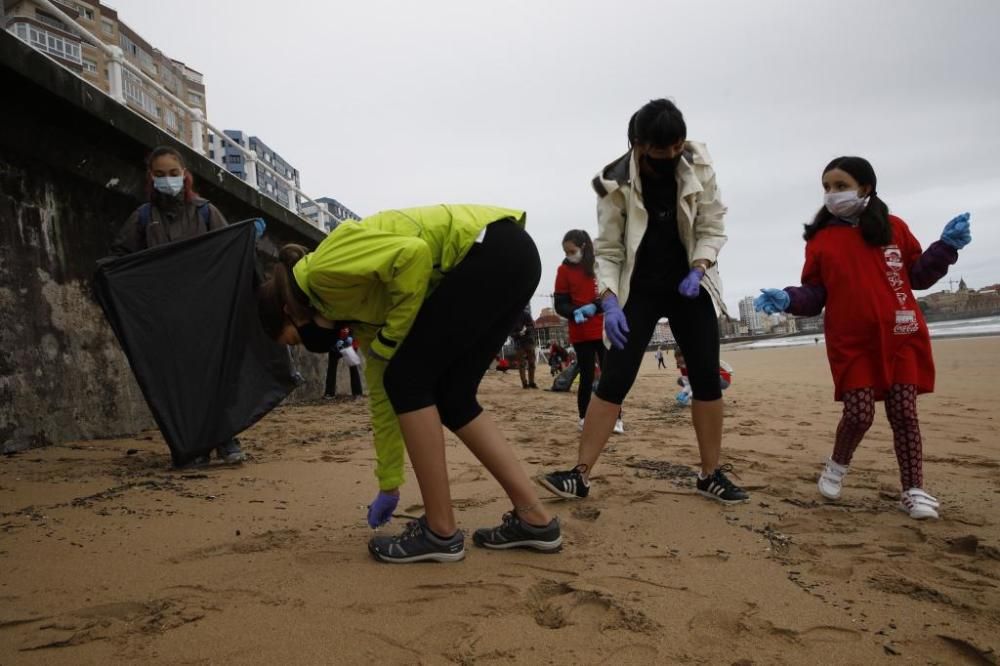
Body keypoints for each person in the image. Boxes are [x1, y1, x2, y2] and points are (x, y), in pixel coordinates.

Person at [257, 204, 562, 563]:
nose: (304, 347)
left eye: (294, 341)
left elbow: (413, 255)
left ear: (288, 312)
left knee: (409, 377)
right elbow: (385, 395)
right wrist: (389, 483)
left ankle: (440, 531)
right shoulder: (355, 317)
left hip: (488, 248)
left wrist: (391, 341)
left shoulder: (324, 269)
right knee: (453, 397)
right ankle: (535, 520)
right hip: (511, 257)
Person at [537, 98, 748, 504]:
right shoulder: (611, 183)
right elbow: (610, 249)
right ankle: (579, 475)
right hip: (640, 287)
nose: (668, 158)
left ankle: (710, 474)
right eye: (657, 152)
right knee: (614, 379)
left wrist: (700, 267)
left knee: (705, 378)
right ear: (636, 144)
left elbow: (712, 223)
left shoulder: (699, 164)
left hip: (690, 283)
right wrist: (610, 300)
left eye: (674, 148)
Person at [754, 156, 970, 520]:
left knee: (904, 412)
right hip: (851, 341)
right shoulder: (822, 241)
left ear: (865, 187)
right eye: (827, 188)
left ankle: (913, 489)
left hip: (902, 335)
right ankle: (837, 465)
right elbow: (816, 293)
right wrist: (790, 298)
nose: (832, 194)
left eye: (840, 186)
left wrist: (946, 247)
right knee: (859, 414)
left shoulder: (895, 228)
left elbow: (917, 276)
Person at [111, 145, 246, 467]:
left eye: (174, 173)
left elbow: (228, 251)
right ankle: (193, 442)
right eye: (160, 174)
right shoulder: (143, 218)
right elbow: (120, 257)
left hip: (206, 312)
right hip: (167, 316)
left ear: (185, 175)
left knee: (215, 374)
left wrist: (246, 238)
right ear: (150, 177)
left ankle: (226, 438)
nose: (168, 179)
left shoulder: (205, 212)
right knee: (180, 380)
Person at [553, 229, 624, 434]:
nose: (569, 255)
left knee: (609, 374)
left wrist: (595, 306)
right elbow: (560, 303)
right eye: (565, 252)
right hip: (580, 331)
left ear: (584, 247)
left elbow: (611, 292)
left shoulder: (599, 265)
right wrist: (574, 312)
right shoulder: (563, 270)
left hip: (603, 328)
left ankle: (616, 418)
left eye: (572, 250)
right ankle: (584, 417)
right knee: (586, 376)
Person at [324, 326, 364, 400]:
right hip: (335, 344)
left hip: (349, 344)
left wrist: (351, 341)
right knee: (331, 368)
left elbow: (356, 330)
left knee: (353, 368)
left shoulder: (350, 319)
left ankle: (357, 393)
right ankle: (329, 393)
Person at [511, 305, 538, 389]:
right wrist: (518, 334)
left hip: (528, 341)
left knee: (532, 363)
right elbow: (510, 333)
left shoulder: (526, 314)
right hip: (518, 343)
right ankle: (524, 383)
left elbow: (532, 326)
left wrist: (526, 330)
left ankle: (531, 382)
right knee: (521, 364)